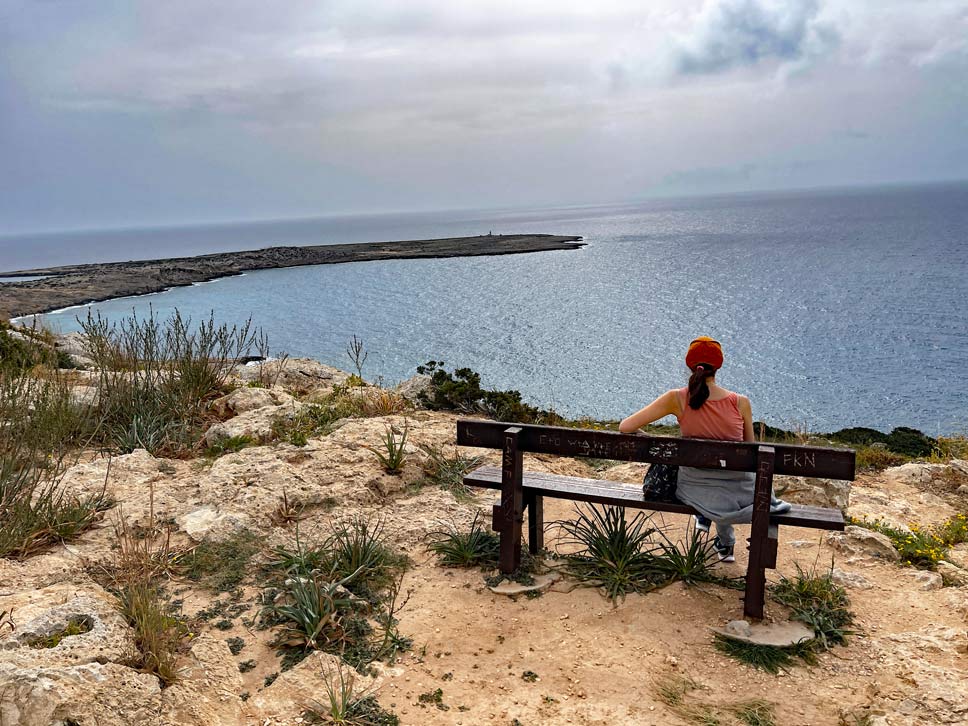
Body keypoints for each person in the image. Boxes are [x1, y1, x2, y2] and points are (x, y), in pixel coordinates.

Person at [618, 336, 789, 562]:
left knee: (710, 483)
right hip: (738, 493)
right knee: (726, 481)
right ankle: (725, 544)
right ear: (718, 366)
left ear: (690, 365)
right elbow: (750, 452)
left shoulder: (676, 398)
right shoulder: (740, 402)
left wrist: (662, 446)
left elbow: (626, 427)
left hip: (694, 490)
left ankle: (706, 520)